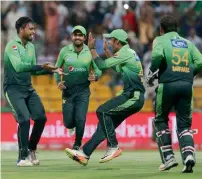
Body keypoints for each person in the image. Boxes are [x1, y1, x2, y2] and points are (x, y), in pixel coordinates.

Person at [64, 29, 145, 165]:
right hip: (131, 95)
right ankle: (84, 153)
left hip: (133, 96)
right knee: (104, 126)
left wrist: (92, 49)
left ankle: (113, 146)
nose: (109, 43)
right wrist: (108, 53)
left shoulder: (125, 53)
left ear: (118, 42)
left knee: (102, 111)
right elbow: (118, 69)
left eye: (112, 40)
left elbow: (101, 65)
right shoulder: (128, 52)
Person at [3, 16, 62, 167]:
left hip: (28, 88)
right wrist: (41, 66)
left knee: (41, 118)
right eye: (31, 29)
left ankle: (31, 149)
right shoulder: (12, 46)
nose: (34, 32)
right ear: (21, 30)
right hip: (13, 89)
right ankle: (22, 158)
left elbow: (33, 71)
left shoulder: (31, 47)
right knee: (24, 119)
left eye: (34, 29)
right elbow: (19, 67)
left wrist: (51, 70)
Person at [146, 15, 202, 173]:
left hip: (168, 84)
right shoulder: (188, 43)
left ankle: (169, 157)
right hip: (186, 85)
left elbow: (157, 56)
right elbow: (200, 62)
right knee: (184, 124)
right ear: (177, 29)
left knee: (160, 120)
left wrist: (151, 73)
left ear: (161, 29)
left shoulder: (160, 40)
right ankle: (189, 155)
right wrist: (190, 74)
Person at [54, 26, 102, 151]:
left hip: (83, 91)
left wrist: (95, 76)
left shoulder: (89, 52)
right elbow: (56, 69)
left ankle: (77, 143)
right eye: (75, 35)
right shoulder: (65, 51)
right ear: (72, 37)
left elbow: (98, 70)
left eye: (80, 35)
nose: (77, 37)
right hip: (68, 91)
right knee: (68, 122)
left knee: (80, 118)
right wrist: (58, 81)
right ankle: (70, 127)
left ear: (85, 38)